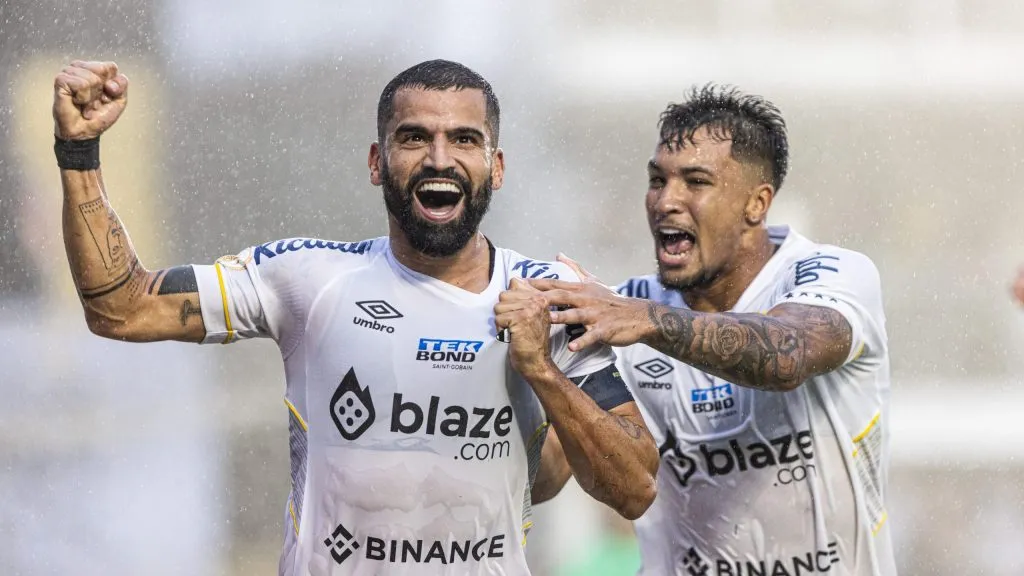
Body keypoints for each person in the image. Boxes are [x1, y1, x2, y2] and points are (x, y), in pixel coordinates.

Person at [53, 58, 658, 575]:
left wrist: (541, 372)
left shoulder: (550, 299)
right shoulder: (307, 278)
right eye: (414, 137)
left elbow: (633, 490)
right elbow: (121, 308)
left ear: (496, 168)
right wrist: (79, 152)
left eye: (465, 140)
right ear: (377, 161)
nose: (439, 159)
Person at [530, 85, 896, 575]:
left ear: (756, 203)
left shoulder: (831, 274)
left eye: (695, 181)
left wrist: (643, 320)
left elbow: (788, 355)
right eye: (658, 180)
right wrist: (540, 369)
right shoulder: (619, 317)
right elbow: (546, 479)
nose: (666, 201)